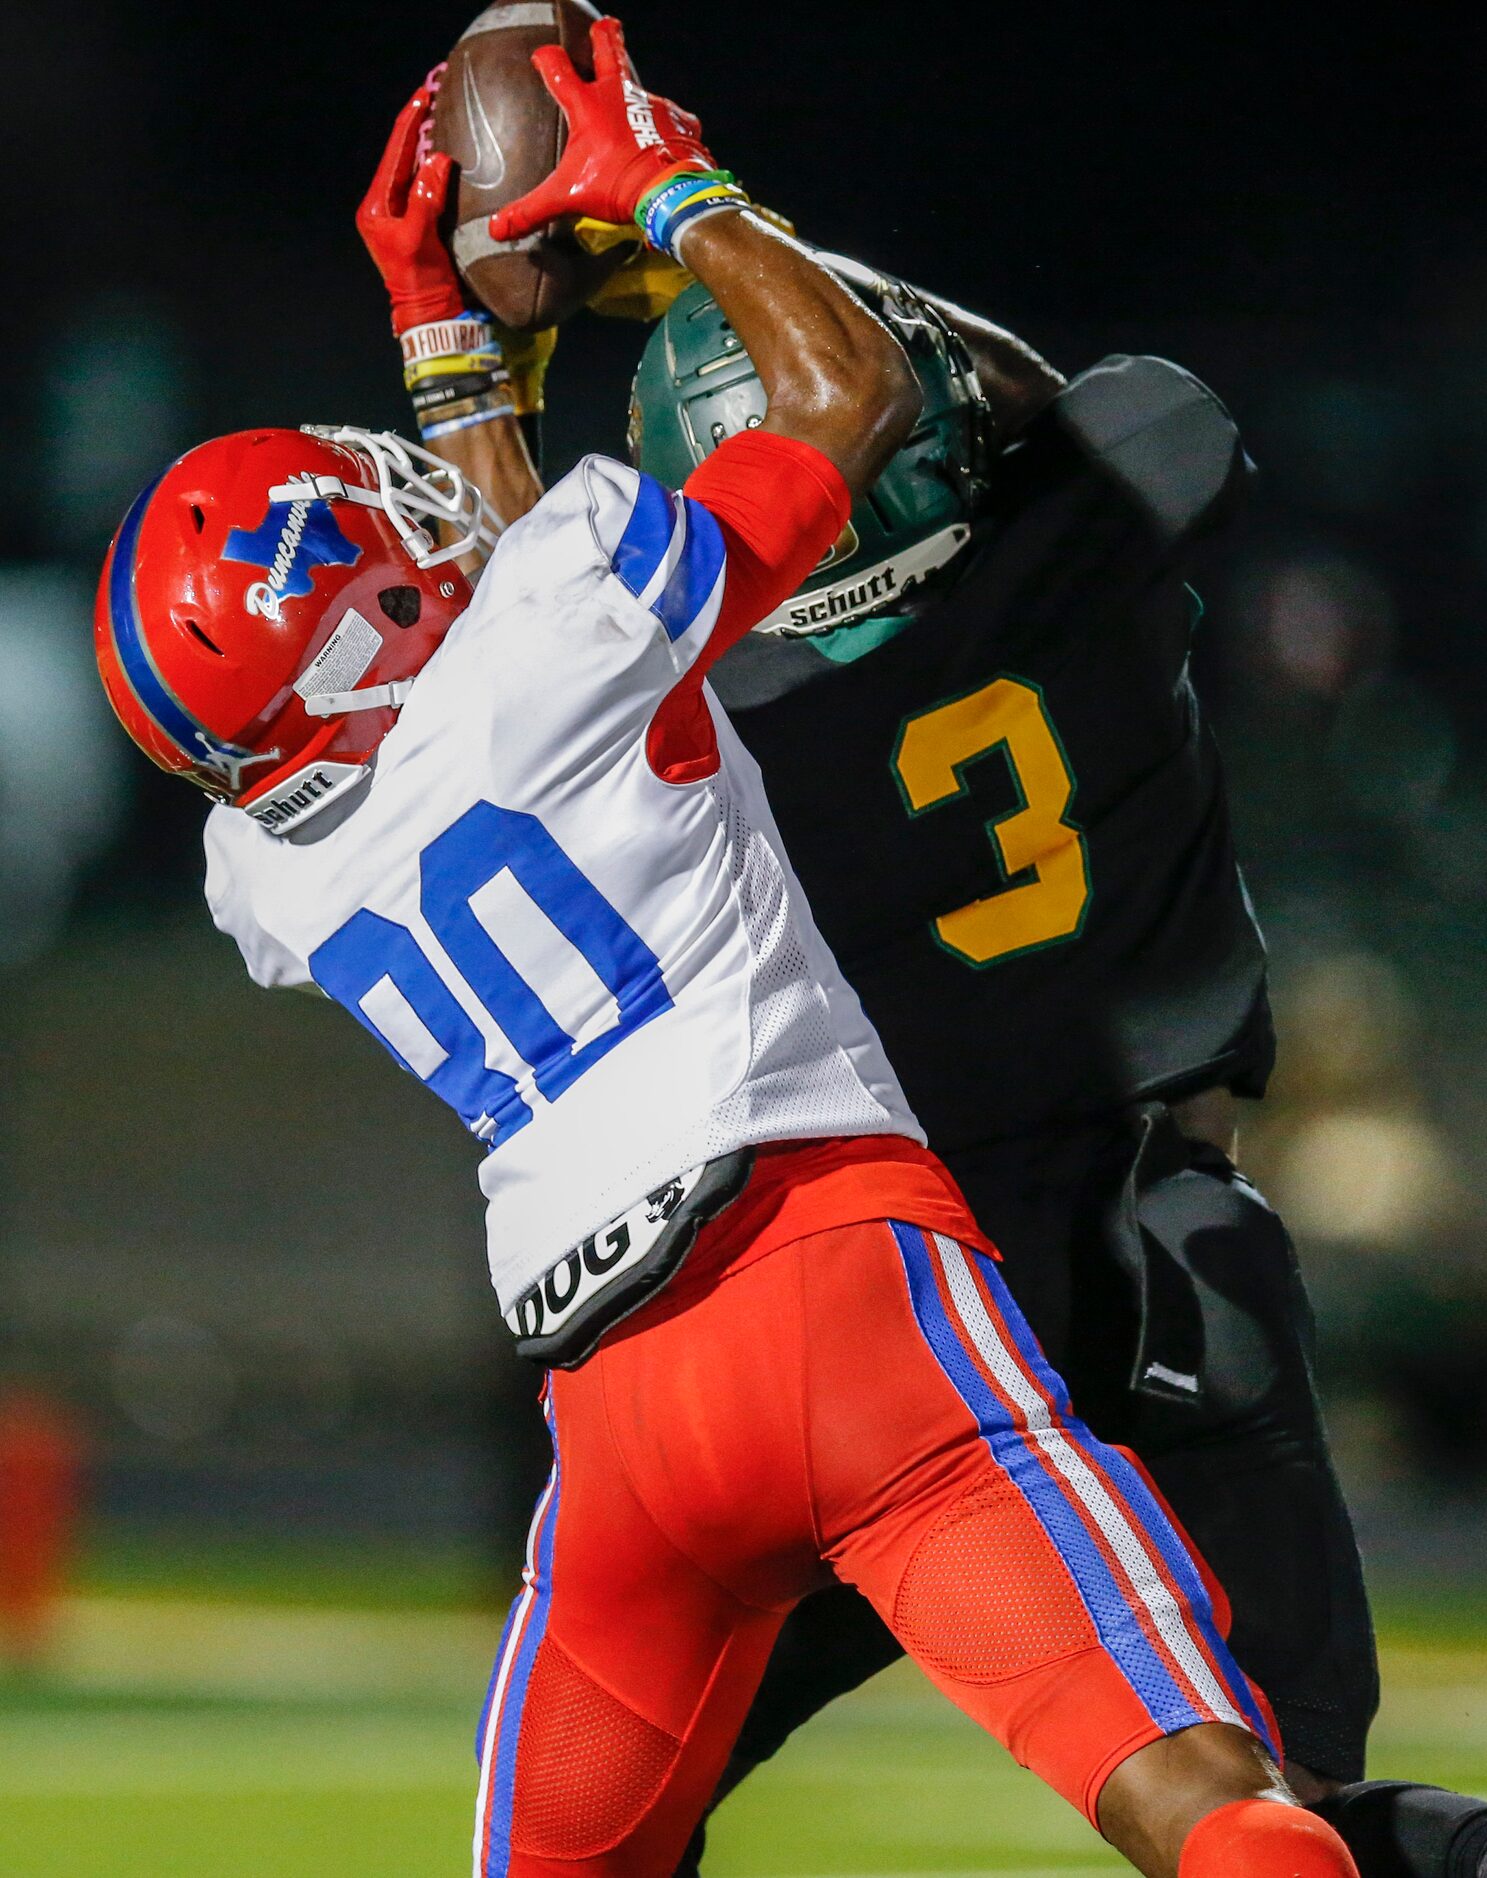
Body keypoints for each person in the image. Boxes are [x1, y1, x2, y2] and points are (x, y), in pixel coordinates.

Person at [98, 21, 1360, 1878]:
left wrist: (458, 348)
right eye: (375, 528)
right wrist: (668, 188)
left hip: (621, 1425)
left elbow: (539, 652)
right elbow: (835, 397)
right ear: (360, 619)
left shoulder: (259, 881)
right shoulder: (592, 600)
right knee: (1227, 1815)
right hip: (857, 1291)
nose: (413, 511)